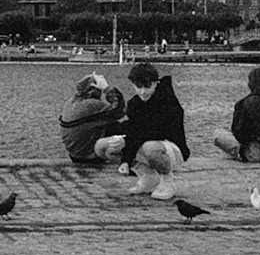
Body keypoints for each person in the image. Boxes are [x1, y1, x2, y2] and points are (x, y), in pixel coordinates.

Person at [120, 62, 190, 197]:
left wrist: (134, 139)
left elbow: (161, 131)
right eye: (138, 87)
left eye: (147, 86)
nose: (143, 91)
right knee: (106, 146)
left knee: (150, 147)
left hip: (172, 147)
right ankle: (148, 177)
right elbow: (135, 130)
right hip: (149, 142)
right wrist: (125, 160)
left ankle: (168, 180)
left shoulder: (168, 100)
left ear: (155, 83)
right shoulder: (134, 103)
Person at [59, 73, 125, 165]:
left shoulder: (70, 103)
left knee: (106, 121)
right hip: (89, 156)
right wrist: (107, 88)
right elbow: (120, 109)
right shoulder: (91, 105)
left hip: (75, 155)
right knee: (124, 126)